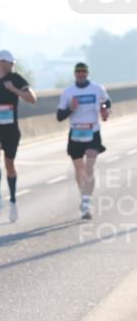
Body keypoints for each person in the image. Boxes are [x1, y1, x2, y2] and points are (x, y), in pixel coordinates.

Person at [0, 50, 37, 222]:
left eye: (12, 63)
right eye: (9, 63)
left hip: (11, 128)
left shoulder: (16, 79)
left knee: (9, 164)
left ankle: (12, 201)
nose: (11, 65)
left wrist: (14, 90)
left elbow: (32, 98)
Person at [56, 62, 112, 220]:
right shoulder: (68, 92)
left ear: (87, 73)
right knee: (79, 169)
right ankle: (84, 195)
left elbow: (107, 102)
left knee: (90, 165)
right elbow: (59, 116)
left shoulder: (97, 88)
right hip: (76, 133)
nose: (81, 74)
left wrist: (104, 110)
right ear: (75, 74)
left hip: (92, 131)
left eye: (83, 72)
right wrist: (71, 109)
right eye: (78, 72)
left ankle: (86, 203)